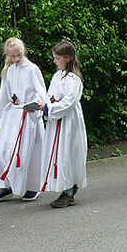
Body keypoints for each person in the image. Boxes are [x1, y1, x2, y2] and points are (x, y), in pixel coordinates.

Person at [0, 37, 47, 203]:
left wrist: (35, 108)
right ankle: (6, 185)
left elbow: (40, 91)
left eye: (19, 55)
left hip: (28, 115)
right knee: (3, 150)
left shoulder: (32, 69)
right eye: (13, 56)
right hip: (12, 115)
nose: (16, 59)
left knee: (28, 152)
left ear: (24, 52)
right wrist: (0, 115)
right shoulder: (8, 69)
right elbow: (4, 94)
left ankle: (33, 186)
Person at [38, 40, 88, 208]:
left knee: (67, 153)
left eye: (57, 58)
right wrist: (45, 105)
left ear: (67, 58)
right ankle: (64, 187)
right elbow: (50, 95)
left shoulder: (74, 79)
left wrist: (49, 107)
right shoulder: (57, 76)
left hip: (69, 122)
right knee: (59, 153)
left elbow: (69, 102)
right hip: (56, 120)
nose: (55, 61)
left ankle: (69, 190)